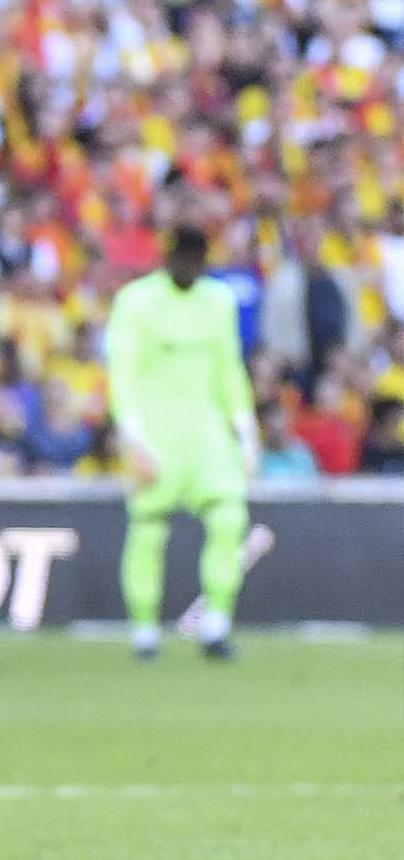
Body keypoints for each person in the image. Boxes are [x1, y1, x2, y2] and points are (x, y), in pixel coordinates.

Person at [105, 224, 258, 661]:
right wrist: (132, 437)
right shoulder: (136, 302)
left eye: (197, 263)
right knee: (149, 528)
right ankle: (144, 630)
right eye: (184, 261)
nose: (190, 269)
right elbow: (123, 373)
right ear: (168, 259)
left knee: (229, 518)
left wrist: (246, 432)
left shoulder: (218, 300)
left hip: (207, 435)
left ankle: (216, 623)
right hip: (155, 435)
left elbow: (229, 368)